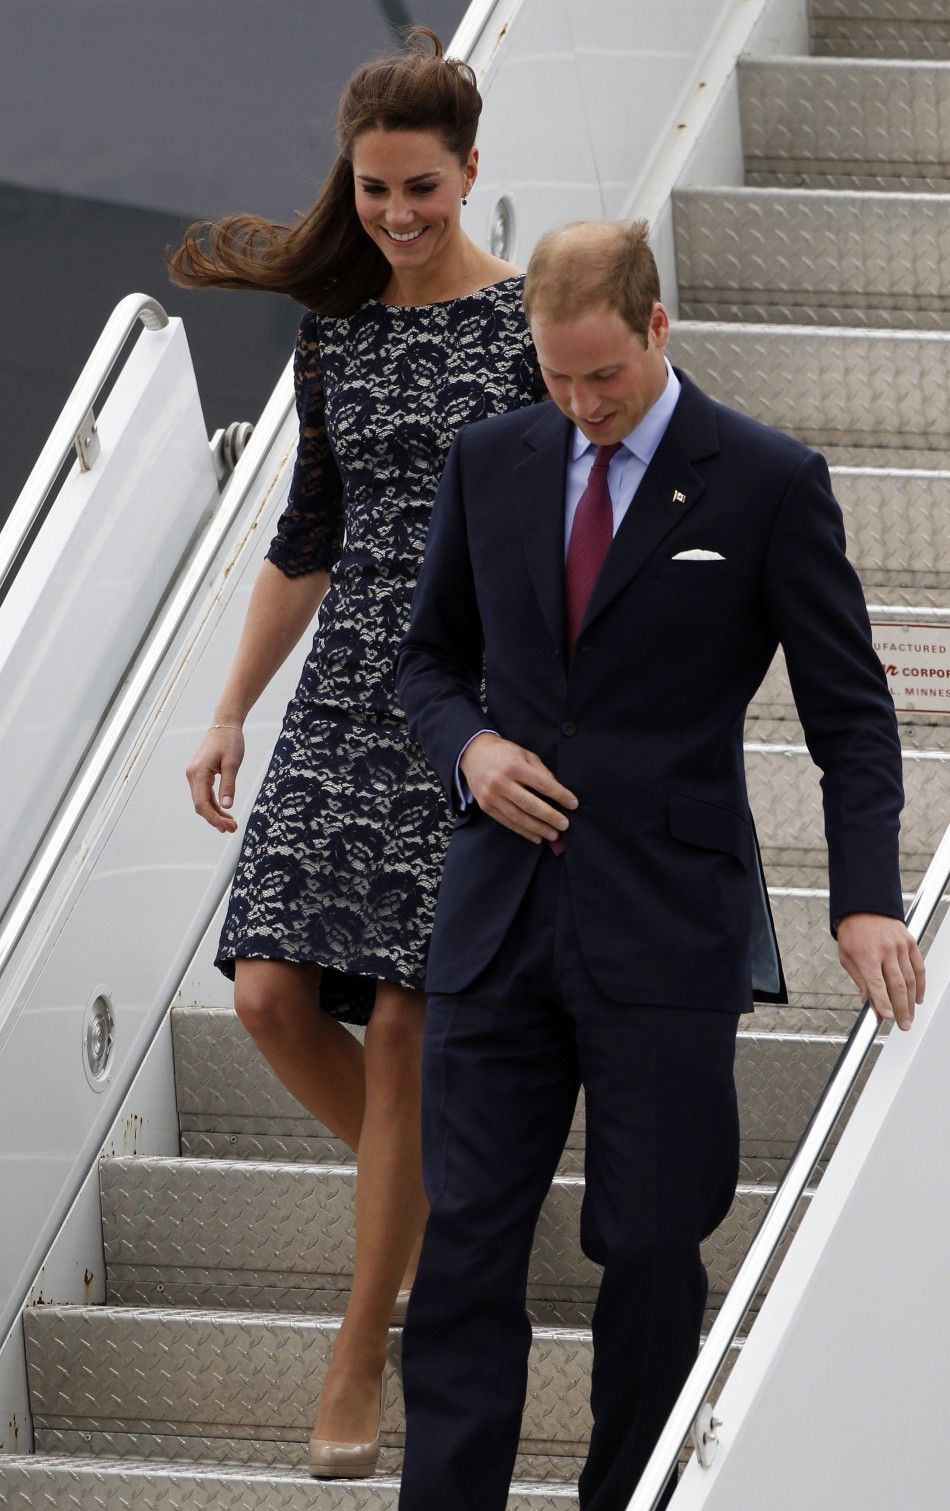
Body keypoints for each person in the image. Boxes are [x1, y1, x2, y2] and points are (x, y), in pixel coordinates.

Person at [394, 220, 926, 1510]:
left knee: (645, 1249)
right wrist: (471, 749)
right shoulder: (490, 461)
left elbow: (850, 713)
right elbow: (425, 663)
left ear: (656, 328)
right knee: (463, 1250)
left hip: (666, 929)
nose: (579, 407)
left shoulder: (765, 479)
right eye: (557, 379)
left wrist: (864, 898)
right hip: (497, 920)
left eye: (604, 380)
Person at [171, 28, 546, 1478]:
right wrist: (226, 709)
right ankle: (453, 1206)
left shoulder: (527, 323)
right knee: (269, 998)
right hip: (341, 699)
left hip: (469, 696)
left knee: (401, 1029)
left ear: (468, 175)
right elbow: (306, 536)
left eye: (422, 191)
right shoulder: (338, 330)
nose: (394, 214)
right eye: (376, 187)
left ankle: (359, 1348)